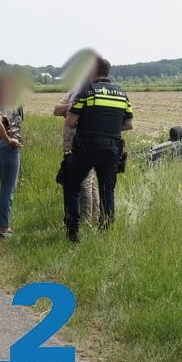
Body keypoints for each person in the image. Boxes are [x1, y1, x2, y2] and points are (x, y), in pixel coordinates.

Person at [64, 58, 133, 242]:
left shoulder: (87, 92)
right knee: (107, 189)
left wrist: (87, 124)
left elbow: (70, 122)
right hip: (111, 149)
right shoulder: (122, 94)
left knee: (71, 183)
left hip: (87, 147)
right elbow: (129, 125)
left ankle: (73, 230)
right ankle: (106, 231)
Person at [54, 76, 99, 227]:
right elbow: (56, 110)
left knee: (85, 184)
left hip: (83, 146)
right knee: (89, 184)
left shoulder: (91, 94)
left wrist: (69, 110)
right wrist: (72, 106)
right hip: (69, 147)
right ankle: (93, 216)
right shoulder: (73, 92)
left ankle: (86, 222)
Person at [0, 71, 24, 239]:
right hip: (7, 148)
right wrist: (9, 140)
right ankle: (4, 228)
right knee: (9, 189)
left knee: (4, 188)